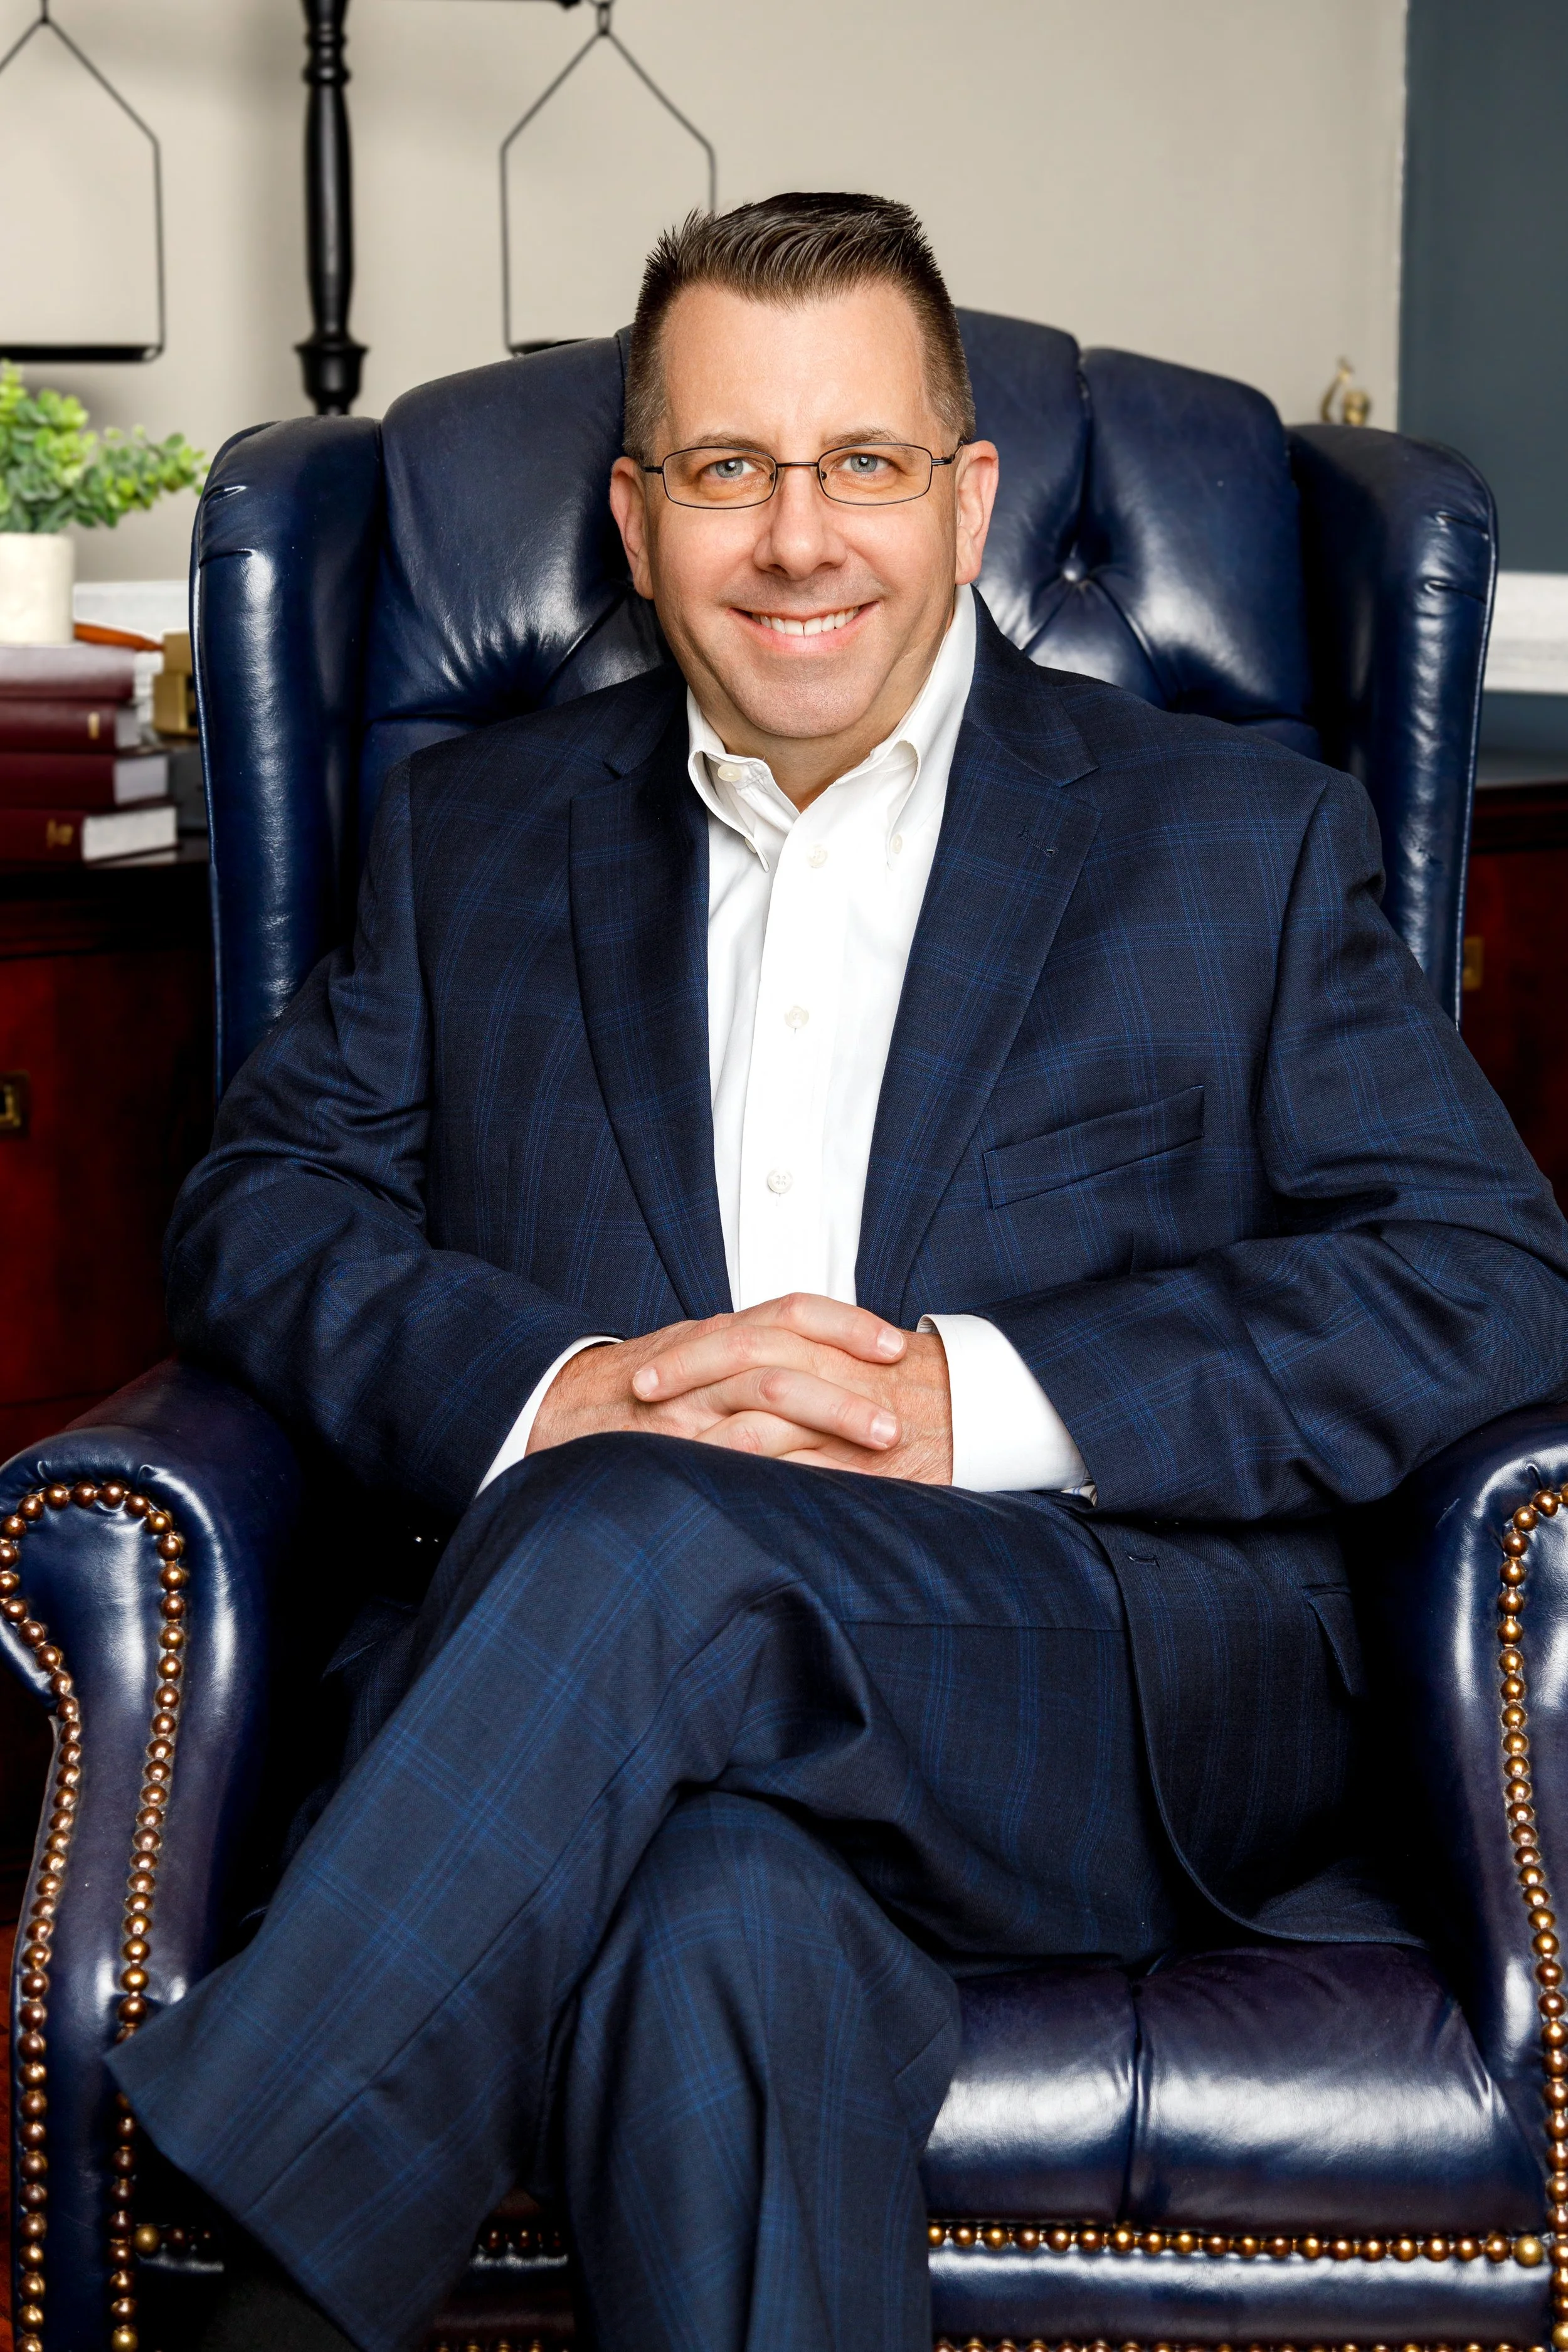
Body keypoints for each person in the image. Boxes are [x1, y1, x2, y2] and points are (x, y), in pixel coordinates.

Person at [112, 193, 1568, 2352]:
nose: (799, 539)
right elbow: (262, 1205)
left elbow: (1478, 1269)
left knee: (638, 1553)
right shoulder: (476, 841)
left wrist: (965, 1395)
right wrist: (566, 1387)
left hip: (1081, 1683)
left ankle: (239, 2284)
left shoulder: (1221, 843)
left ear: (964, 497)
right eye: (727, 469)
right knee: (716, 1934)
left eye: (862, 463)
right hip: (600, 1736)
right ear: (634, 514)